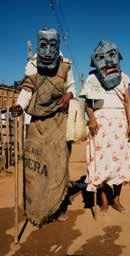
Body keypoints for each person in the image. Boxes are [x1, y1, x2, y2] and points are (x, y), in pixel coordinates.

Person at [10, 28, 76, 226]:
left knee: (58, 165)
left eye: (52, 45)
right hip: (36, 124)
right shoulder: (31, 65)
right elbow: (27, 90)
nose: (48, 50)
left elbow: (71, 86)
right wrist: (19, 106)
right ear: (39, 45)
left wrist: (69, 95)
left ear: (58, 45)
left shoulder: (65, 66)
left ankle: (60, 205)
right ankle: (37, 209)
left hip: (58, 122)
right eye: (43, 45)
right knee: (36, 168)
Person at [80, 40, 130, 213]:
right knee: (101, 163)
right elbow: (87, 103)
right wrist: (92, 118)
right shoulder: (93, 77)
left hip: (119, 122)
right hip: (100, 122)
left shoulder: (124, 77)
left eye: (112, 55)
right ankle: (103, 200)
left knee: (120, 163)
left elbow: (127, 102)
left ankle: (116, 200)